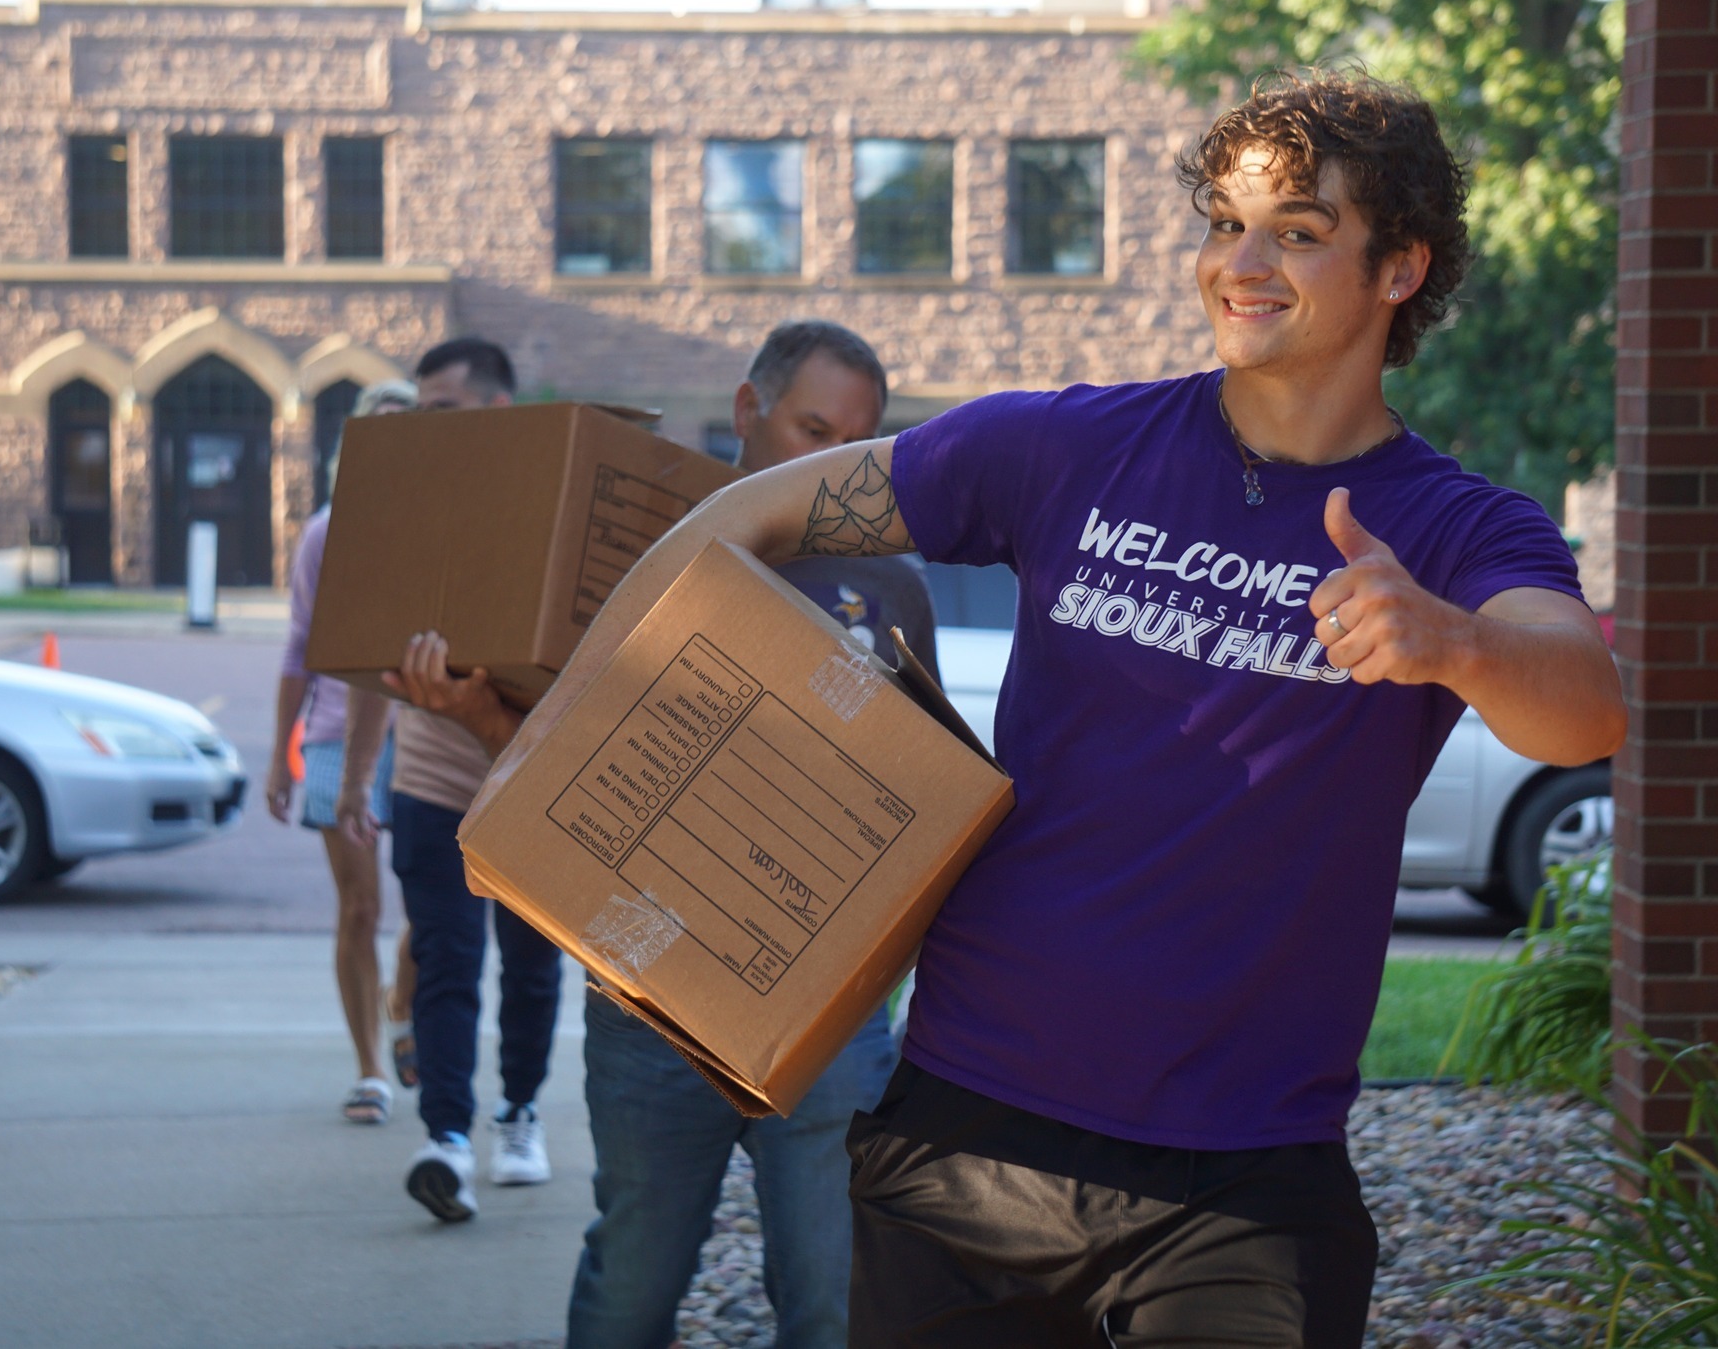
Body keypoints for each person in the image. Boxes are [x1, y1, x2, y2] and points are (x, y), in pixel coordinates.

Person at [479, 71, 1626, 1346]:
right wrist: (558, 753)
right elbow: (741, 516)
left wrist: (1452, 640)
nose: (1241, 263)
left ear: (1398, 268)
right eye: (1222, 223)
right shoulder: (1063, 449)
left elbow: (1581, 713)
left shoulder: (1456, 528)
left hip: (1242, 1181)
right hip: (967, 1138)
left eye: (1296, 231)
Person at [564, 321, 933, 1349]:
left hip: (825, 1013)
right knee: (630, 1291)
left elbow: (921, 802)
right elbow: (556, 768)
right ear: (743, 410)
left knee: (833, 1301)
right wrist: (465, 711)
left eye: (853, 446)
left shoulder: (890, 591)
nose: (828, 465)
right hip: (648, 994)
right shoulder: (639, 557)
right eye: (809, 427)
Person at [383, 337, 565, 1223]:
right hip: (429, 779)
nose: (427, 433)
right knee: (447, 968)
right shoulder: (408, 512)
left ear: (498, 414)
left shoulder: (552, 509)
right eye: (418, 416)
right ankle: (446, 1140)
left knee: (530, 972)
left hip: (530, 783)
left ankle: (520, 1114)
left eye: (443, 413)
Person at [265, 376, 418, 1124]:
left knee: (433, 906)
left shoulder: (441, 530)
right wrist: (276, 756)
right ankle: (369, 1070)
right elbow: (299, 645)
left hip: (423, 736)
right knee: (359, 907)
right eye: (379, 430)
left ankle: (404, 1000)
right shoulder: (328, 532)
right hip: (332, 734)